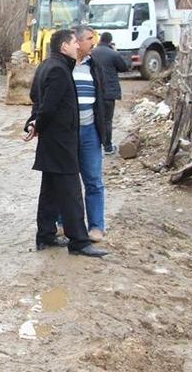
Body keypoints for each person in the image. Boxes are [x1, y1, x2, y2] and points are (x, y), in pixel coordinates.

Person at [23, 29, 107, 258]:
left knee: (49, 191)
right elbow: (48, 107)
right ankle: (79, 241)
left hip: (52, 142)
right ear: (64, 47)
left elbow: (36, 100)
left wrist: (33, 123)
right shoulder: (59, 70)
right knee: (71, 193)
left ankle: (46, 235)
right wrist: (37, 124)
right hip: (61, 141)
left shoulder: (46, 66)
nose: (77, 46)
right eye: (73, 43)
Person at [72, 25, 111, 242]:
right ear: (77, 41)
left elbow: (103, 97)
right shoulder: (63, 65)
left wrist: (104, 129)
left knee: (93, 180)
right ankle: (63, 222)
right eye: (89, 38)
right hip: (68, 133)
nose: (93, 43)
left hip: (90, 132)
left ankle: (96, 226)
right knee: (67, 179)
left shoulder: (94, 65)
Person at [90, 31, 129, 155]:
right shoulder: (113, 54)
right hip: (109, 92)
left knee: (94, 119)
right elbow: (124, 67)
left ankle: (94, 146)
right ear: (109, 41)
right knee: (107, 120)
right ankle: (107, 147)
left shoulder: (92, 52)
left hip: (94, 91)